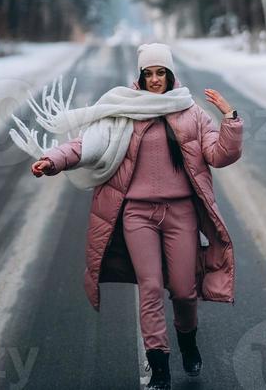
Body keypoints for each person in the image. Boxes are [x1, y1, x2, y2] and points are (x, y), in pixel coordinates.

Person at [27, 42, 243, 390]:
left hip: (181, 213)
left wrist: (230, 120)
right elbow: (86, 145)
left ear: (170, 75)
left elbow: (218, 155)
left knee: (185, 290)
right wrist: (53, 160)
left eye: (161, 73)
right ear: (140, 77)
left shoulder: (191, 113)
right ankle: (159, 368)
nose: (155, 79)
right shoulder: (123, 111)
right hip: (137, 214)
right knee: (151, 287)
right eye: (149, 73)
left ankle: (187, 341)